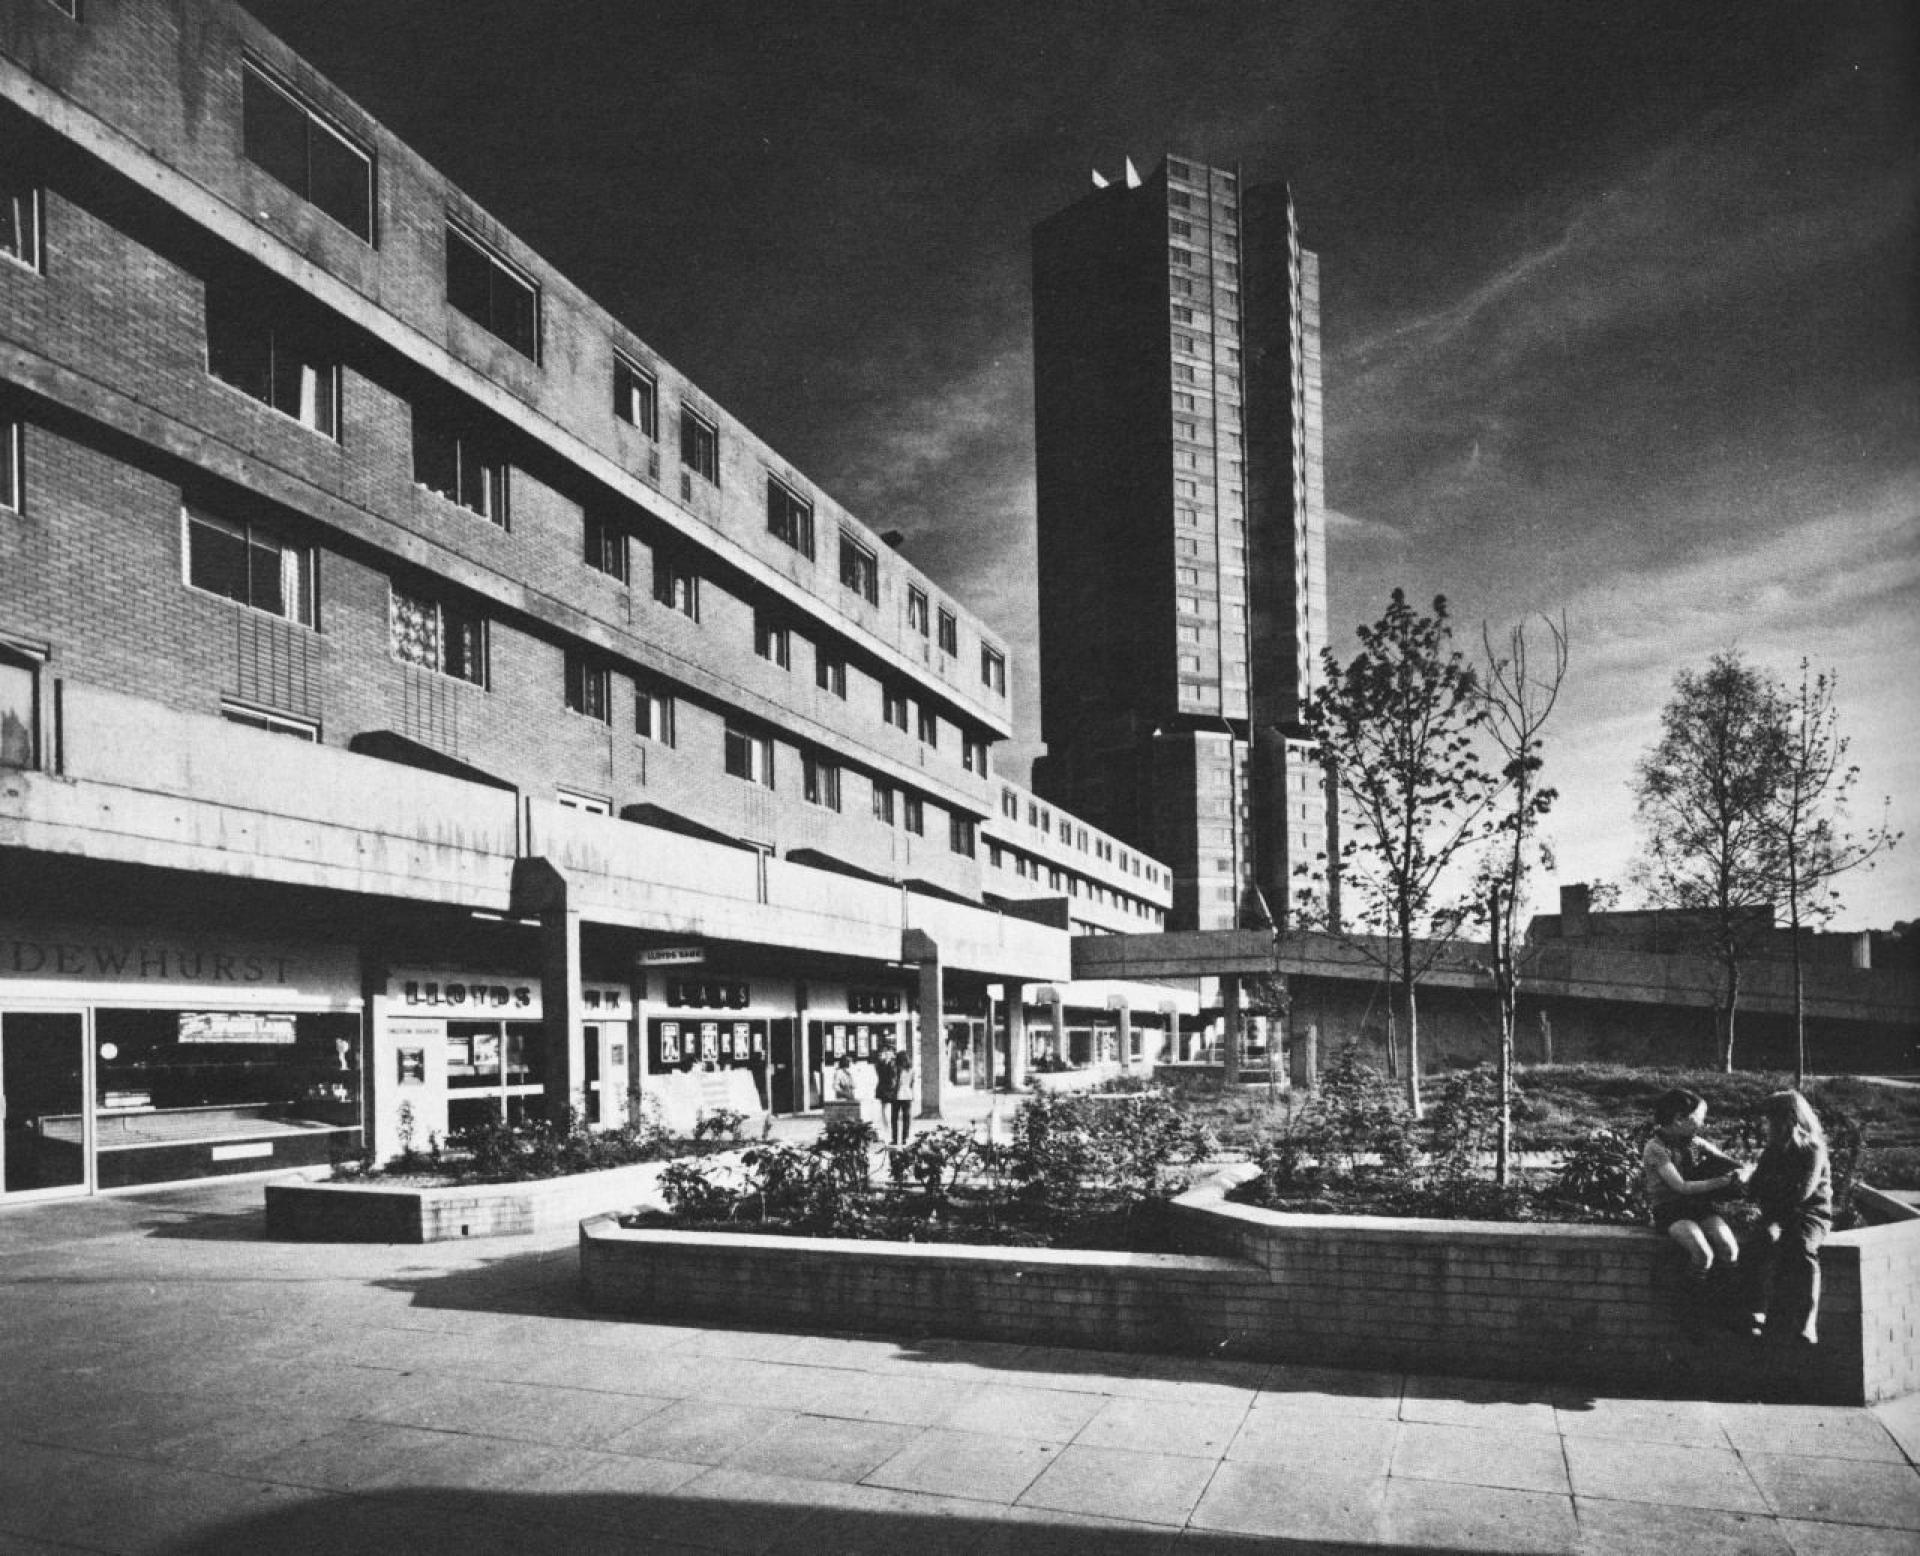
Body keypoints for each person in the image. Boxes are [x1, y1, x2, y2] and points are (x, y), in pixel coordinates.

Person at [1746, 1090, 1832, 1346]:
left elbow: (1801, 1193)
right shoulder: (1772, 1150)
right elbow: (1754, 1189)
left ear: (1788, 1120)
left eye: (1771, 1120)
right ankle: (1758, 1309)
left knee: (1801, 1246)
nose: (1766, 1126)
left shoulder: (1812, 1150)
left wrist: (1771, 1189)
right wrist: (1772, 1192)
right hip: (1778, 1212)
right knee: (1761, 1239)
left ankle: (1807, 1320)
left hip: (1812, 1213)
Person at [1642, 1087, 1749, 1282]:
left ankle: (1725, 1301)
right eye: (1698, 1118)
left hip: (1698, 1206)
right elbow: (1680, 1186)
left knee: (1729, 1249)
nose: (1702, 1123)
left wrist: (1740, 1172)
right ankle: (1691, 1303)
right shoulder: (1655, 1148)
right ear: (1678, 1119)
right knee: (1702, 1255)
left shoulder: (1693, 1142)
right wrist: (1721, 1182)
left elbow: (1731, 1163)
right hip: (1671, 1209)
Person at [889, 1042, 916, 1146]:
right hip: (908, 1095)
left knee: (894, 1119)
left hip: (897, 1095)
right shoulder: (911, 1070)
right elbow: (912, 1083)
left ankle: (895, 1139)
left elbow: (894, 1083)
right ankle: (905, 1138)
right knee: (906, 1118)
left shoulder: (896, 1069)